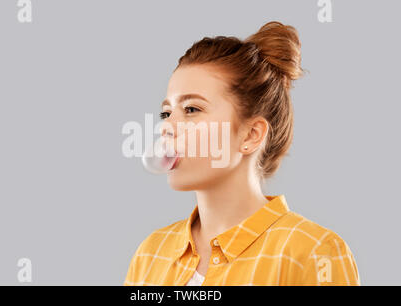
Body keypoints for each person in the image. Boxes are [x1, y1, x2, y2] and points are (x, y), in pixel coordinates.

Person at [124, 21, 360, 286]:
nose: (166, 127)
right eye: (166, 113)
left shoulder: (314, 252)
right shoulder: (151, 253)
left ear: (250, 135)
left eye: (191, 109)